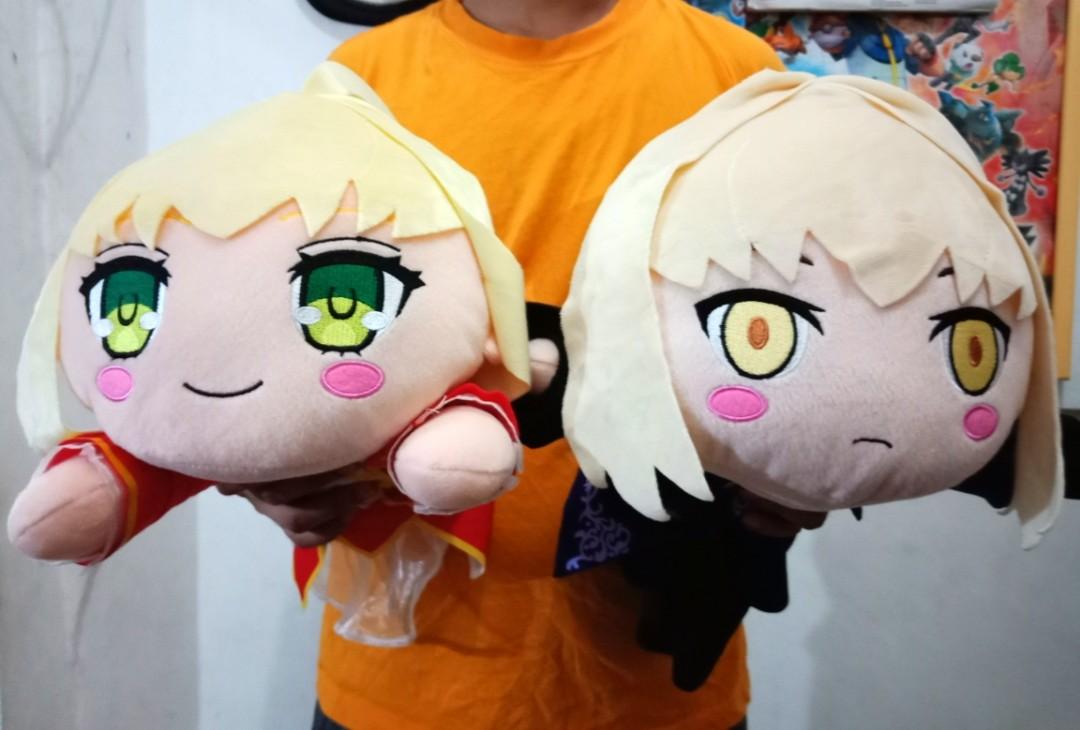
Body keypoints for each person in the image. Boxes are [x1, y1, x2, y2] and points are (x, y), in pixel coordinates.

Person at [233, 2, 825, 728]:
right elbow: (298, 328)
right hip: (404, 669)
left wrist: (804, 463)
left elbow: (811, 325)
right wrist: (275, 465)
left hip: (656, 668)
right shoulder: (361, 84)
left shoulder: (736, 76)